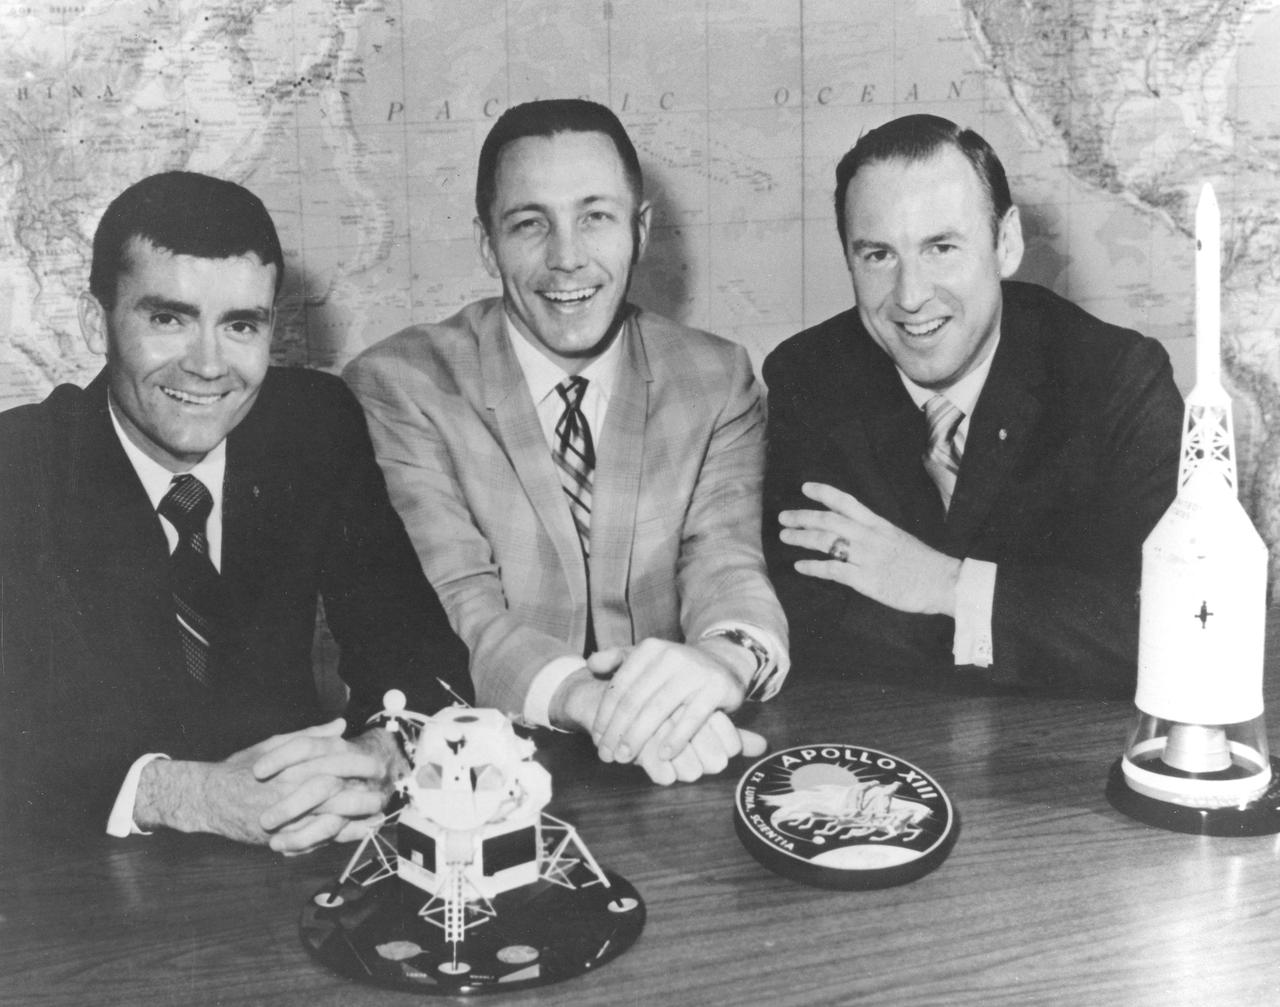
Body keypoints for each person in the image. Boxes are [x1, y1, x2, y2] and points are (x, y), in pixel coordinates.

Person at [0, 171, 471, 851]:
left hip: (297, 862)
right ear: (92, 320)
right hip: (87, 888)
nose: (209, 365)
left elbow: (421, 655)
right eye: (168, 319)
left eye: (241, 325)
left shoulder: (313, 425)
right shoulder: (20, 470)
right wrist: (184, 794)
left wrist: (384, 748)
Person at [345, 99, 788, 784]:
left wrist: (721, 664)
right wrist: (610, 707)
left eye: (596, 217)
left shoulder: (718, 378)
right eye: (529, 224)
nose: (567, 258)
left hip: (683, 751)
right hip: (480, 768)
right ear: (487, 242)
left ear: (639, 230)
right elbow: (461, 607)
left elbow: (725, 564)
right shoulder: (401, 385)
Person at [763, 114, 1183, 694]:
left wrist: (945, 586)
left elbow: (1173, 627)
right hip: (892, 740)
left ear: (1005, 244)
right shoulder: (810, 376)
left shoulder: (1116, 380)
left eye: (941, 247)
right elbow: (809, 618)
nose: (910, 297)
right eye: (878, 256)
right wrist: (1047, 622)